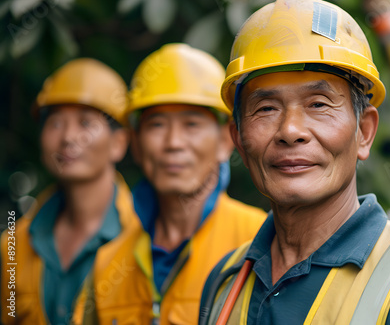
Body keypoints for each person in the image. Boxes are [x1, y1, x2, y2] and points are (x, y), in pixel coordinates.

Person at [199, 0, 390, 324]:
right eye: (266, 108)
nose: (290, 130)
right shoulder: (224, 284)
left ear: (365, 132)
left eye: (319, 104)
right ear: (238, 140)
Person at [80, 43, 266, 324]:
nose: (173, 143)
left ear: (226, 140)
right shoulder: (108, 262)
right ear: (136, 144)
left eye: (191, 124)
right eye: (157, 125)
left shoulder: (260, 241)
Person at [0, 58, 142, 325]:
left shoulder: (145, 237)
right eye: (55, 123)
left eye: (86, 123)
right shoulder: (13, 244)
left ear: (118, 143)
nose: (67, 137)